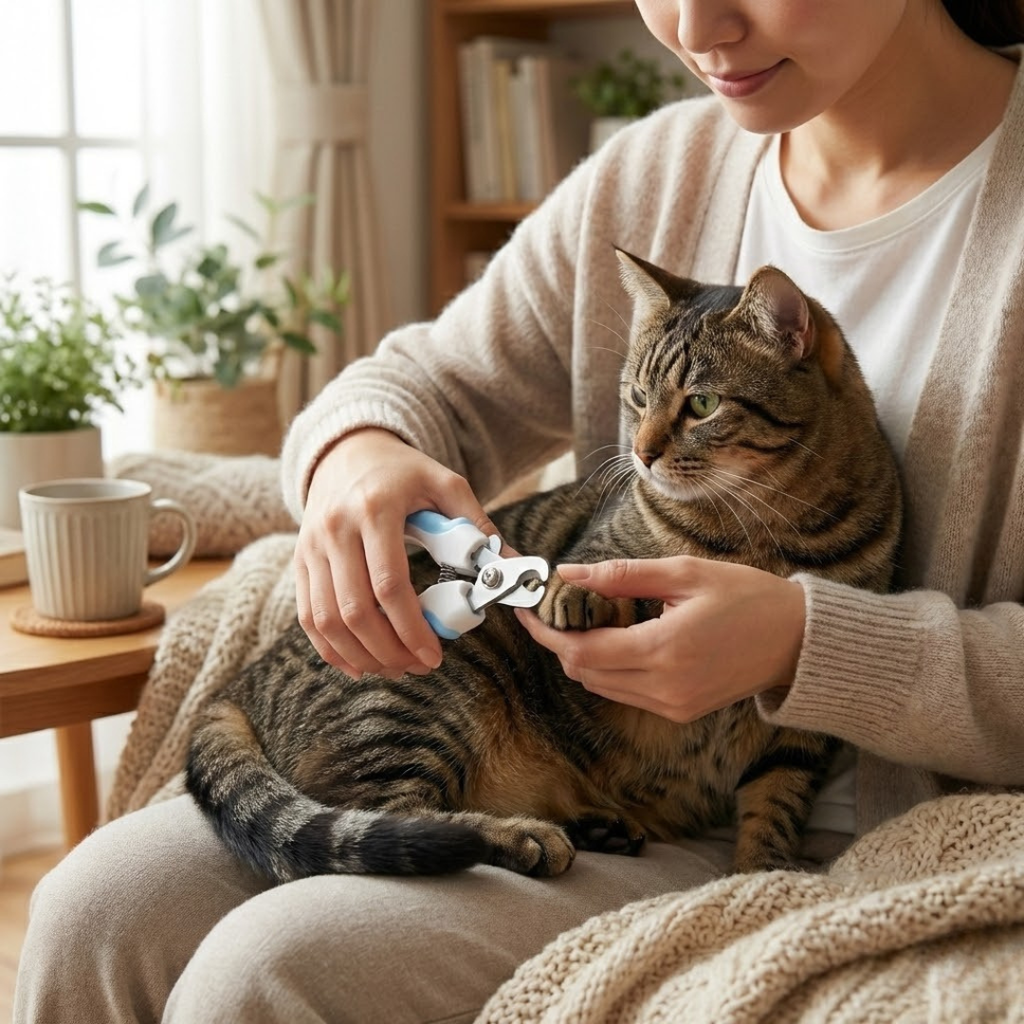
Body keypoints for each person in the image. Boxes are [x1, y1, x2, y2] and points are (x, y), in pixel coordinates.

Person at [15, 1, 1024, 1021]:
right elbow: (422, 384)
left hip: (813, 831)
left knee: (272, 969)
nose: (695, 26)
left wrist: (809, 644)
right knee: (93, 907)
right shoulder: (659, 174)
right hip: (562, 747)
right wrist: (357, 459)